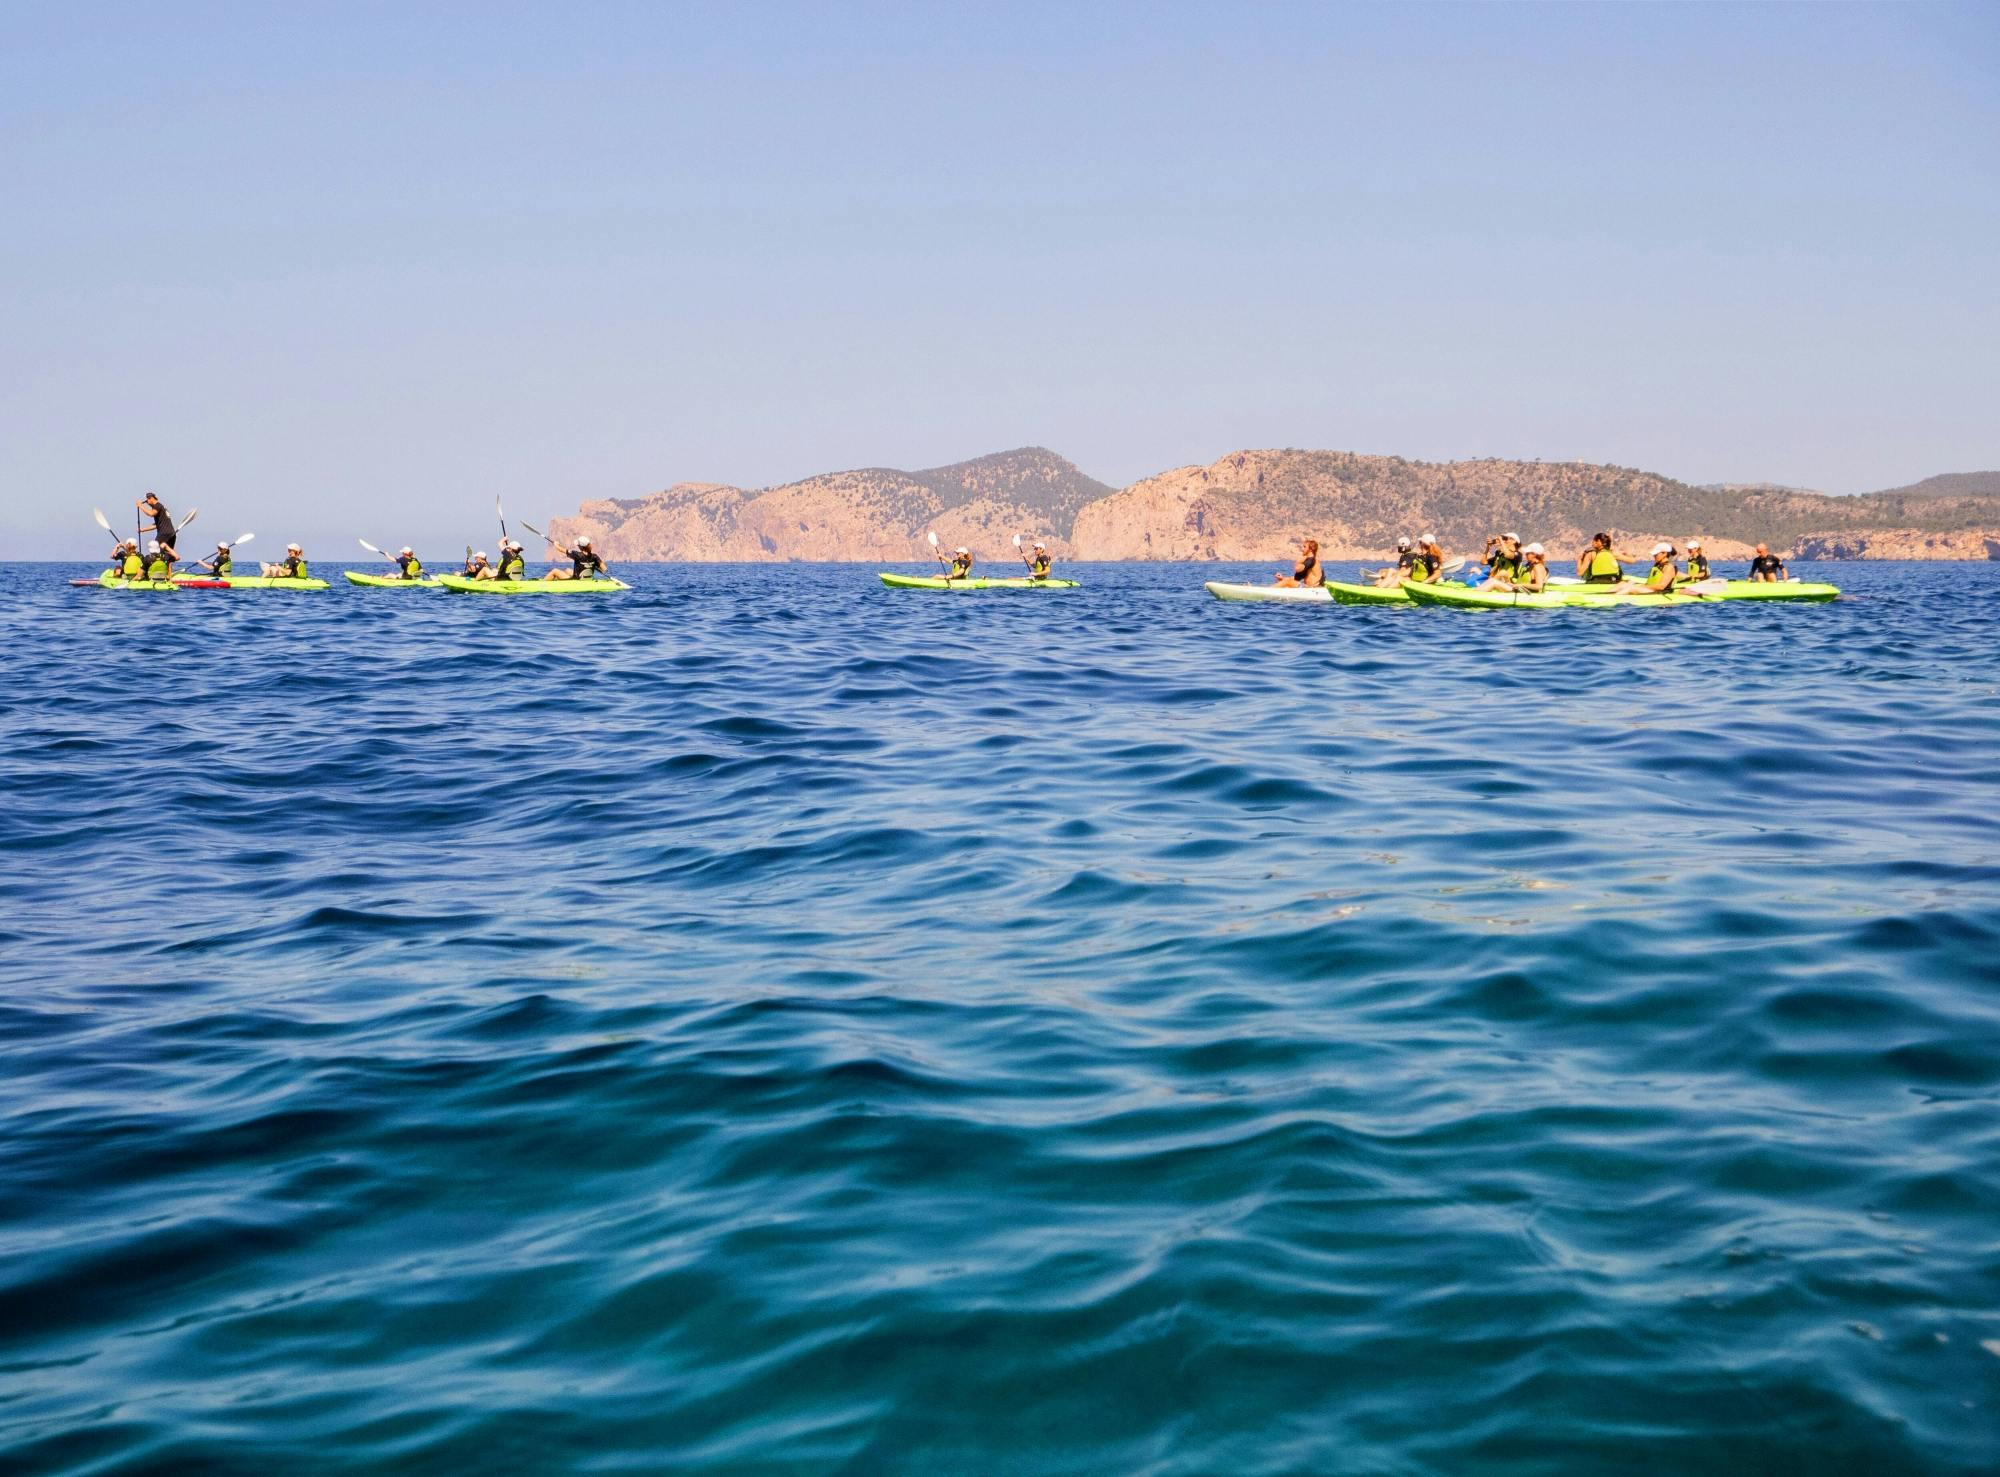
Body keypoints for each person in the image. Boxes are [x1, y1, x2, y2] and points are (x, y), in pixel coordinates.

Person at [1609, 542, 1681, 596]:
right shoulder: (1658, 565)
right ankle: (1604, 595)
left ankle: (1613, 598)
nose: (1654, 556)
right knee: (1623, 583)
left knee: (1631, 588)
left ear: (1664, 553)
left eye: (1656, 554)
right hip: (1650, 590)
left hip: (1660, 593)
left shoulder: (1669, 567)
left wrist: (1642, 586)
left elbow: (1661, 587)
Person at [137, 492, 178, 557]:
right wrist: (142, 530)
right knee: (168, 555)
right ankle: (167, 567)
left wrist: (140, 506)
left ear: (151, 498)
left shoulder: (158, 506)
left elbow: (151, 513)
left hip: (164, 533)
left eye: (147, 501)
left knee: (155, 550)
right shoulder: (161, 508)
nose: (147, 503)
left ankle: (152, 565)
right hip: (171, 533)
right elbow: (156, 525)